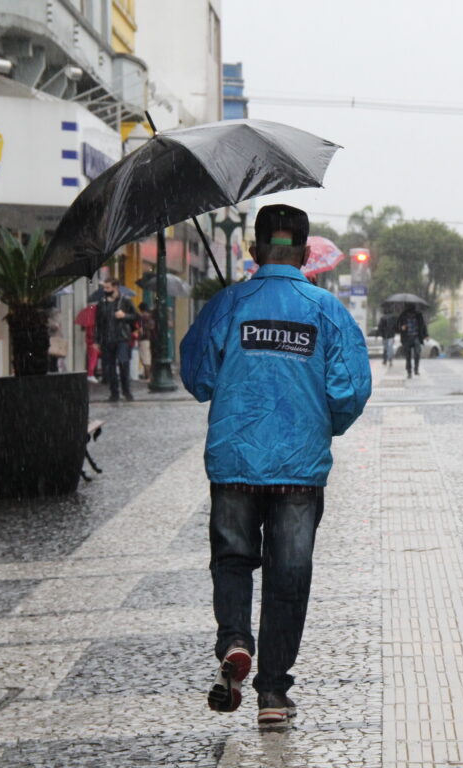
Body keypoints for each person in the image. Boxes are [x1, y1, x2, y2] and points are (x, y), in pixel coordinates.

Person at [180, 204, 371, 728]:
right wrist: (318, 423)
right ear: (307, 254)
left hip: (235, 461)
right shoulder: (327, 310)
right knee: (288, 576)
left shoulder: (227, 304)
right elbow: (350, 390)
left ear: (253, 250)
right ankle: (271, 693)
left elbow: (197, 376)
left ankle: (236, 640)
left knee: (234, 560)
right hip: (298, 470)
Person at [95, 279, 138, 402]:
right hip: (107, 339)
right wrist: (97, 340)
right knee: (110, 368)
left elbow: (136, 317)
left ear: (116, 287)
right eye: (105, 288)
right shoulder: (101, 304)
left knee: (124, 364)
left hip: (122, 339)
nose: (105, 290)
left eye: (108, 288)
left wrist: (125, 316)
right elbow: (98, 323)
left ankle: (127, 391)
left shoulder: (125, 301)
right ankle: (114, 393)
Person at [396, 303, 427, 378]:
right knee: (408, 355)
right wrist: (401, 328)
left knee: (417, 353)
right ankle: (409, 371)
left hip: (416, 337)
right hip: (407, 337)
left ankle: (416, 369)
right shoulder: (403, 315)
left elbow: (423, 325)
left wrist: (426, 334)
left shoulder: (418, 315)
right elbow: (397, 326)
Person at [137, 302, 155, 380]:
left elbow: (140, 329)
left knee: (145, 357)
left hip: (144, 338)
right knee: (147, 356)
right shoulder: (150, 317)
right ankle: (147, 374)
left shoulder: (142, 317)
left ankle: (148, 375)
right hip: (149, 338)